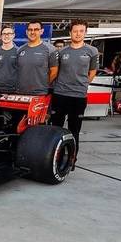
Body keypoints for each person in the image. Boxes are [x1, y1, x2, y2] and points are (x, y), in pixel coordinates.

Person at [51, 19, 99, 165]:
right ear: (70, 32)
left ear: (85, 32)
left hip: (78, 97)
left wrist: (81, 85)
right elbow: (55, 71)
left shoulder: (92, 51)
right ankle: (55, 158)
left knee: (74, 130)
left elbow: (92, 72)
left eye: (81, 31)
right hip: (60, 95)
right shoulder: (62, 52)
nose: (78, 34)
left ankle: (71, 159)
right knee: (56, 129)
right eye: (75, 31)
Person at [16, 20, 58, 96]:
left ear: (41, 31)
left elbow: (54, 71)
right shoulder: (20, 49)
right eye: (30, 30)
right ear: (26, 32)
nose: (32, 32)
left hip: (40, 93)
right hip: (20, 92)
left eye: (36, 29)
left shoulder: (50, 49)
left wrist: (43, 85)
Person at [0, 26, 18, 93]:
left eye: (9, 34)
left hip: (14, 90)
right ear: (1, 36)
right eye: (4, 34)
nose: (6, 36)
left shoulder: (19, 52)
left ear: (13, 35)